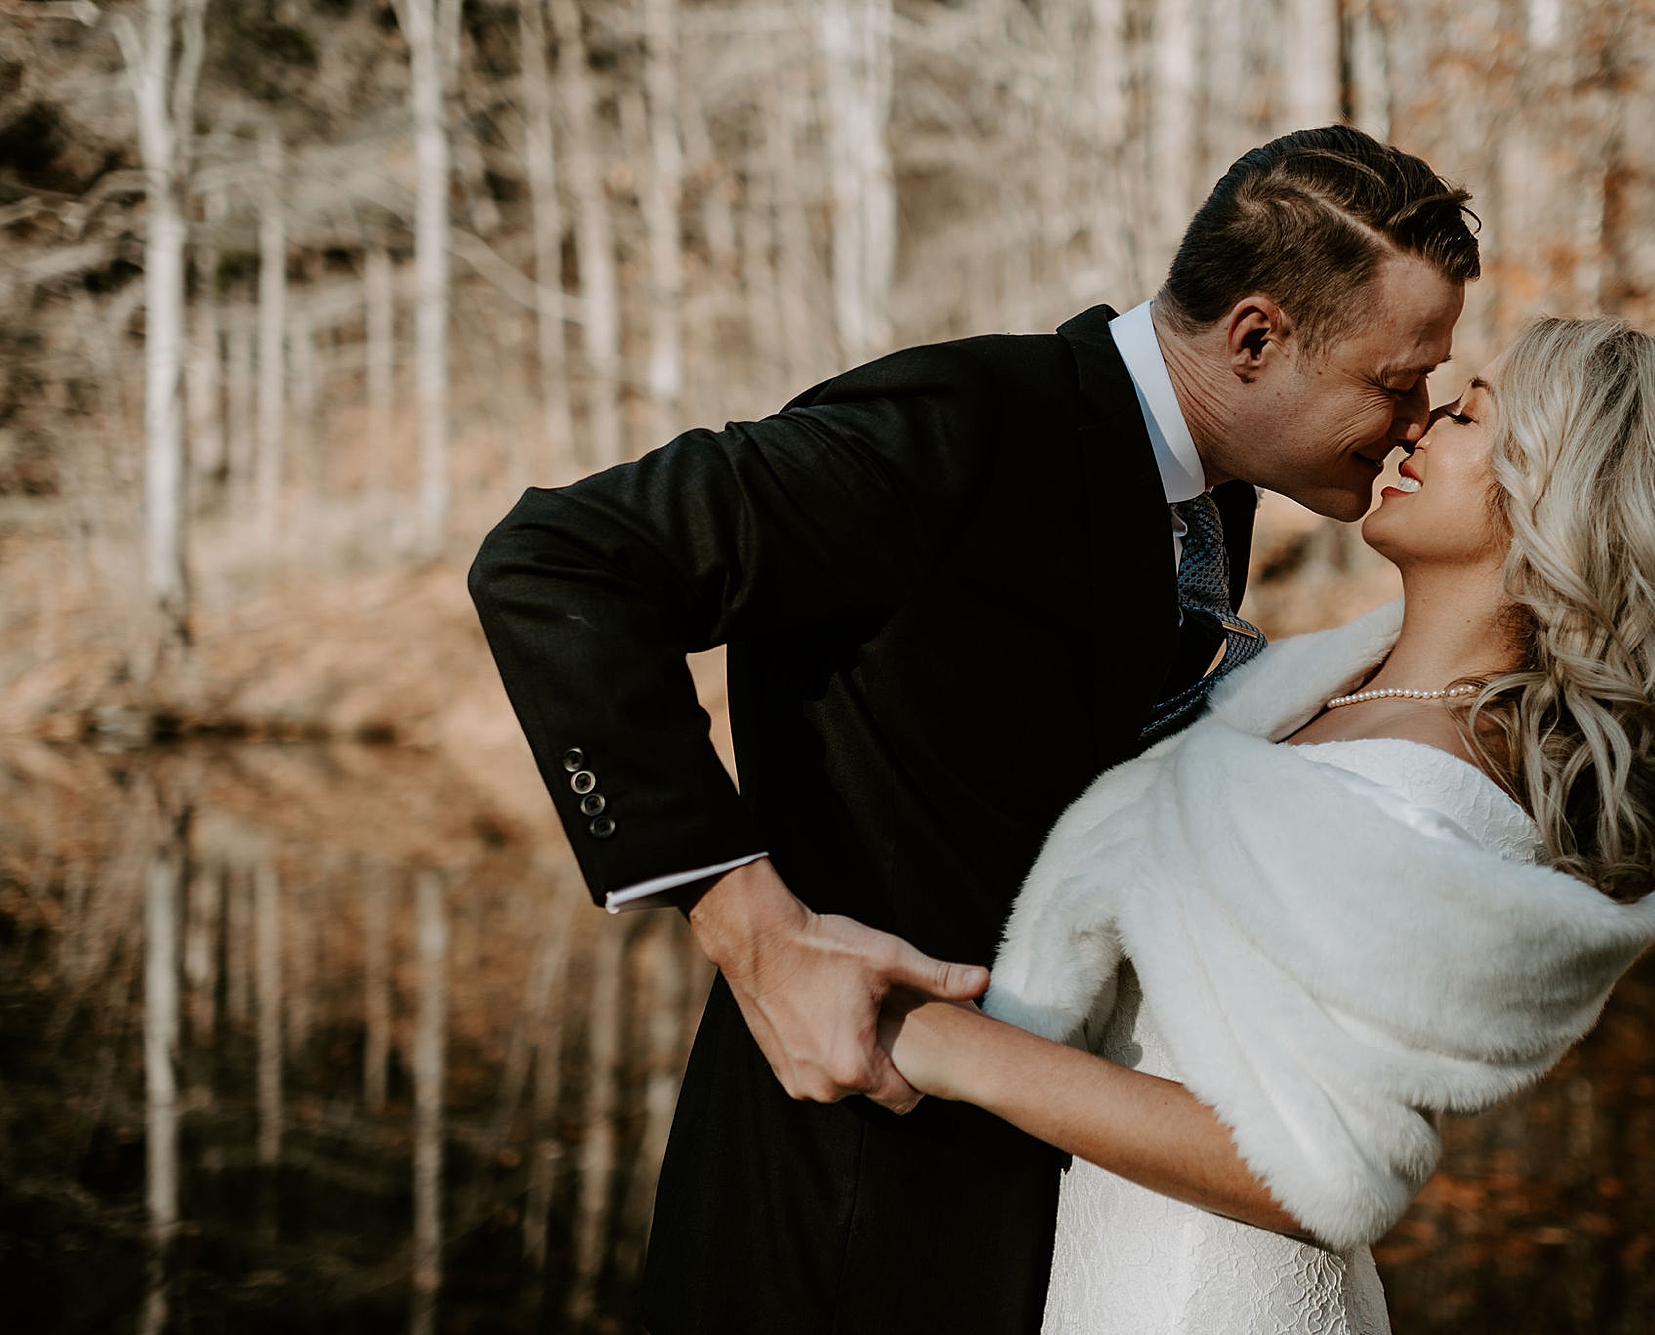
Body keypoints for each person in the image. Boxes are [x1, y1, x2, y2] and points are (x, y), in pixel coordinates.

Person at [466, 124, 1480, 1333]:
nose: (1414, 418)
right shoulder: (956, 427)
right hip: (844, 1193)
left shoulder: (1205, 490)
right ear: (1255, 338)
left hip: (1051, 1199)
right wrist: (746, 924)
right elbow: (558, 559)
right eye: (1393, 380)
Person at [877, 316, 1655, 1333]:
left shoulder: (1433, 789)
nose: (1417, 426)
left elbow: (1304, 1171)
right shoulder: (1333, 691)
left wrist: (943, 1046)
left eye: (1467, 414)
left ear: (1561, 495)